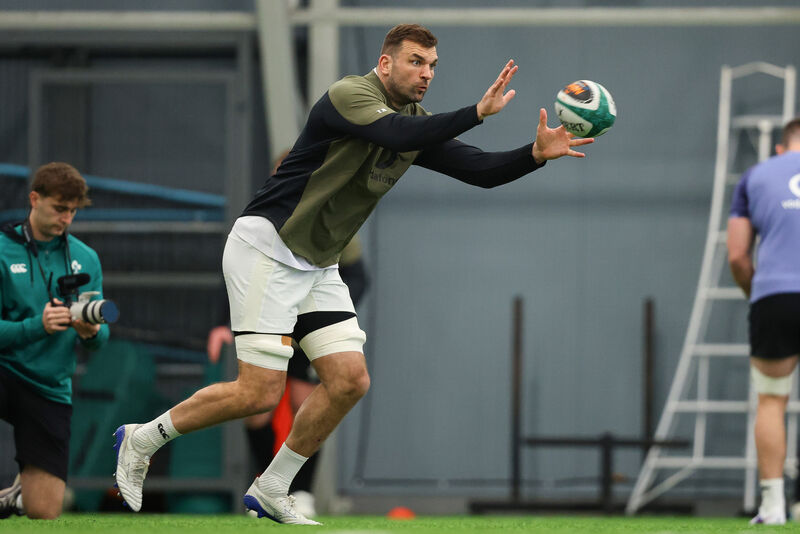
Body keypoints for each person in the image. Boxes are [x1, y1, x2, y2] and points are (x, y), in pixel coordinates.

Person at [113, 23, 593, 525]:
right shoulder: (349, 94)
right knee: (258, 393)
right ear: (385, 63)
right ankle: (142, 439)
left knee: (348, 381)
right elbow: (394, 133)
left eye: (432, 65)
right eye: (415, 61)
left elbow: (480, 171)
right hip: (267, 248)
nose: (426, 73)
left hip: (318, 263)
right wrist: (475, 112)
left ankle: (274, 487)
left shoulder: (416, 123)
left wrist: (535, 155)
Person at [0, 162, 110, 519]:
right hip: (5, 368)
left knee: (44, 511)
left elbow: (100, 336)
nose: (66, 219)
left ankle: (17, 497)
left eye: (73, 211)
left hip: (48, 384)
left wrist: (92, 332)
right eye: (59, 208)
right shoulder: (2, 250)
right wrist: (38, 325)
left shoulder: (85, 258)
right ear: (35, 199)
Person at [727, 117, 800, 526]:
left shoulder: (756, 176)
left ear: (780, 148)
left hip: (776, 297)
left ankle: (773, 506)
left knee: (772, 399)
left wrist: (757, 295)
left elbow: (738, 256)